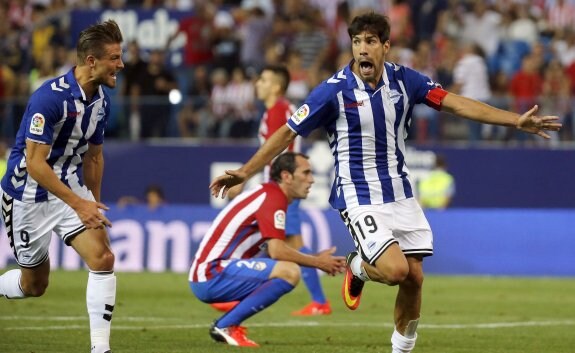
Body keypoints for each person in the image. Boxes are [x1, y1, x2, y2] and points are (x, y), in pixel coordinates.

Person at [209, 12, 561, 353]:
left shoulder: (406, 80)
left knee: (415, 278)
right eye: (357, 41)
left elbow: (455, 104)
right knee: (394, 270)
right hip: (358, 195)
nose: (363, 49)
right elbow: (286, 133)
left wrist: (516, 121)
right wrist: (246, 171)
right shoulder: (331, 91)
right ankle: (358, 266)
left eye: (371, 41)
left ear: (385, 47)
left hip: (400, 193)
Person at [0, 20, 124, 353]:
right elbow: (36, 165)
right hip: (27, 195)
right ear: (91, 61)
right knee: (34, 285)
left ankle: (101, 349)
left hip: (68, 187)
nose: (121, 65)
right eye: (114, 58)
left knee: (103, 258)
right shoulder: (48, 99)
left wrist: (93, 204)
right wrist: (81, 204)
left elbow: (94, 158)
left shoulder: (101, 102)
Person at [190, 152, 346, 347]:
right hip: (212, 274)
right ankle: (226, 325)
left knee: (286, 267)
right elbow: (277, 252)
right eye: (305, 173)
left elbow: (275, 250)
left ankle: (229, 317)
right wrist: (318, 263)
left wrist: (314, 257)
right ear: (287, 176)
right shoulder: (273, 198)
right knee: (289, 272)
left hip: (213, 273)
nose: (311, 180)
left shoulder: (269, 194)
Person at [225, 65, 332, 316]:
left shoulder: (277, 111)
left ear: (275, 86)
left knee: (290, 243)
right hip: (280, 187)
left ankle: (319, 301)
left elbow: (273, 151)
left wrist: (245, 177)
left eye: (263, 80)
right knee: (273, 244)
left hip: (281, 189)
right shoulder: (279, 110)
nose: (257, 84)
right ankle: (242, 296)